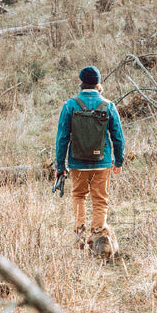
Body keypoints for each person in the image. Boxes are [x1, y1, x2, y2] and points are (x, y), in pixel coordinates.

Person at [55, 66, 125, 251]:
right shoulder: (108, 105)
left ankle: (80, 234)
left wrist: (60, 166)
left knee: (79, 196)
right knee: (100, 200)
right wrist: (118, 162)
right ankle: (98, 239)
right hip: (102, 163)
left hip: (77, 163)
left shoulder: (70, 105)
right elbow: (118, 137)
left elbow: (62, 137)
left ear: (81, 82)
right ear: (98, 84)